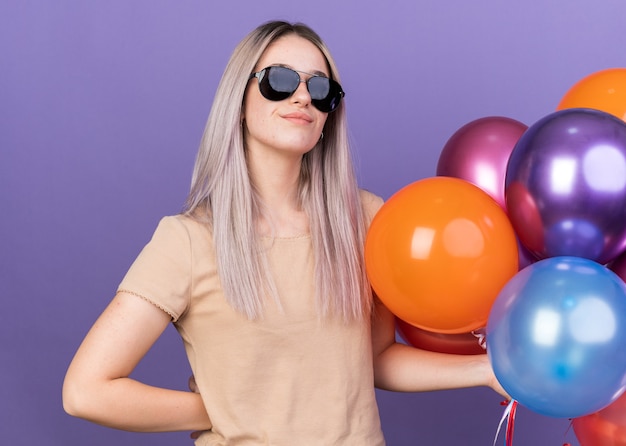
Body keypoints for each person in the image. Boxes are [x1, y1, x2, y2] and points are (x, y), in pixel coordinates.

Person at [62, 20, 507, 445]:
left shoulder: (368, 220)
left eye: (320, 89)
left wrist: (486, 370)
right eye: (279, 81)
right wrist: (224, 411)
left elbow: (371, 362)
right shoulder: (189, 241)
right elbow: (87, 391)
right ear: (239, 100)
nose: (302, 99)